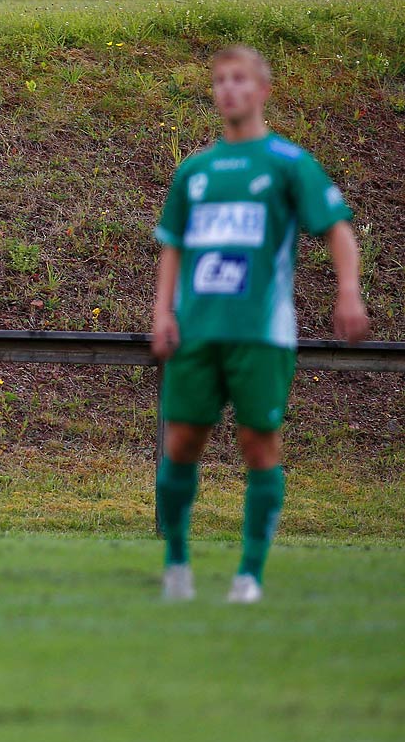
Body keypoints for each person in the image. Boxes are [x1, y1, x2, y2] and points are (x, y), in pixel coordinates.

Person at [151, 45, 369, 605]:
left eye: (240, 80)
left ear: (263, 91)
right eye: (220, 80)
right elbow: (172, 247)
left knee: (258, 444)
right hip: (197, 332)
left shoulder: (288, 163)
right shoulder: (195, 171)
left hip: (261, 332)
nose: (228, 89)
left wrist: (348, 292)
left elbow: (338, 230)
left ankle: (249, 574)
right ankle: (177, 565)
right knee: (181, 441)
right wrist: (162, 311)